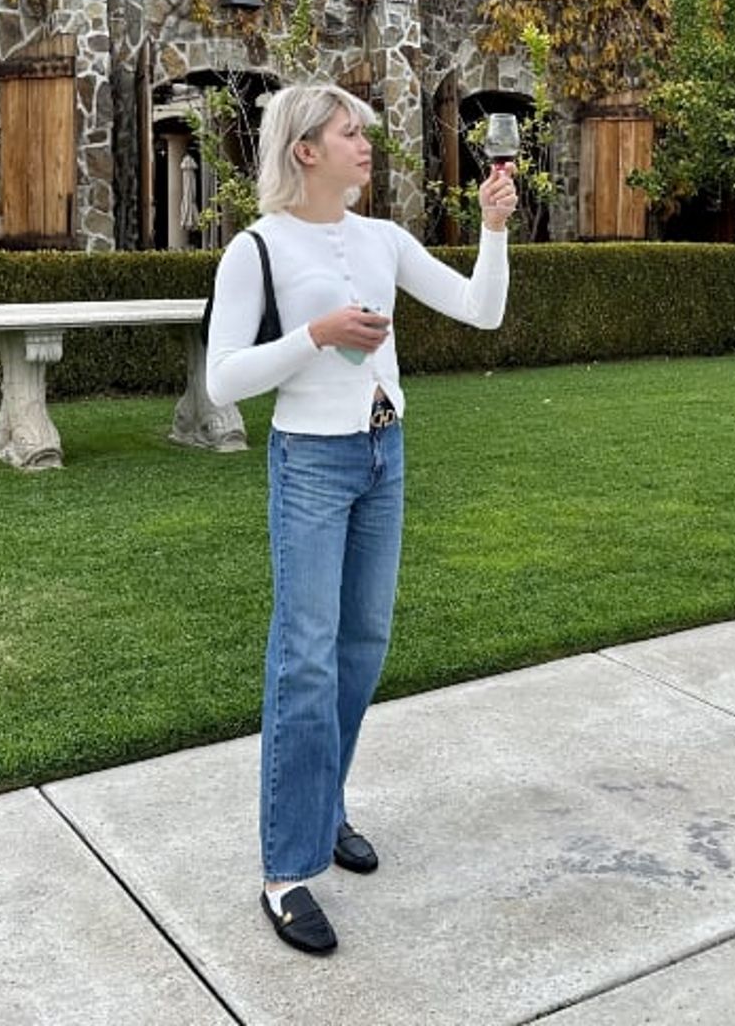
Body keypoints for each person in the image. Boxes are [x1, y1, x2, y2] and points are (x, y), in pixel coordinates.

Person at [206, 82, 517, 955]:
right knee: (303, 659)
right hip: (310, 462)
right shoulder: (255, 249)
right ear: (305, 149)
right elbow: (223, 379)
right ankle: (288, 871)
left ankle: (325, 802)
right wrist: (318, 334)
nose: (365, 145)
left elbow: (481, 311)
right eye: (350, 134)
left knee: (361, 647)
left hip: (385, 455)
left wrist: (493, 230)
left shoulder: (382, 238)